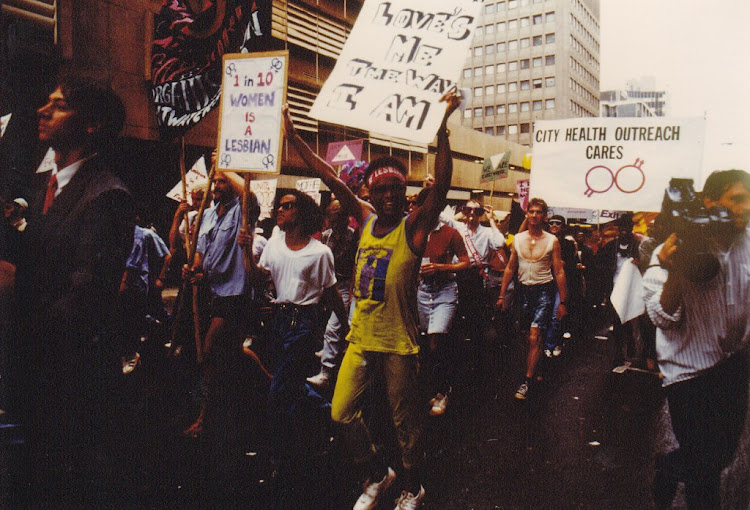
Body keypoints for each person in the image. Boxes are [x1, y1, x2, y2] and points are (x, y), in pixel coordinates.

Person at [282, 89, 461, 509]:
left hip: (398, 341)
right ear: (370, 194)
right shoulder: (363, 220)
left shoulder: (414, 229)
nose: (387, 197)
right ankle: (380, 473)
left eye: (395, 190)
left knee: (406, 426)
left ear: (405, 194)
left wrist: (442, 129)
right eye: (379, 191)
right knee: (340, 412)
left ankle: (412, 487)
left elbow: (445, 183)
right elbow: (331, 177)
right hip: (361, 338)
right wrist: (294, 137)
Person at [13, 78, 136, 505]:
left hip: (68, 382)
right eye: (46, 102)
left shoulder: (107, 197)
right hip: (32, 375)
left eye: (59, 105)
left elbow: (87, 303)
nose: (42, 111)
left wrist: (17, 308)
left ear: (93, 125)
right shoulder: (37, 187)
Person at [644, 169, 750, 510]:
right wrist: (676, 269)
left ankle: (671, 465)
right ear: (710, 202)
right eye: (737, 199)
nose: (746, 207)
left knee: (719, 455)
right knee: (705, 475)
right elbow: (660, 318)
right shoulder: (673, 248)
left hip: (734, 366)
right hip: (689, 373)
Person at [181, 171, 253, 438]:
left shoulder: (242, 211)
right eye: (216, 182)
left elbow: (249, 195)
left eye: (223, 182)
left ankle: (204, 417)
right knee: (230, 354)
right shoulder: (208, 214)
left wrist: (226, 165)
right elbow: (201, 251)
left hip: (234, 293)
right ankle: (260, 388)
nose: (217, 187)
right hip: (210, 291)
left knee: (209, 352)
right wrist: (193, 269)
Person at [498, 198, 566, 400]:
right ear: (527, 214)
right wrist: (502, 295)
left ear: (544, 216)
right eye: (531, 211)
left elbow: (559, 271)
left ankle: (526, 381)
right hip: (522, 291)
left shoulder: (552, 241)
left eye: (538, 212)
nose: (534, 215)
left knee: (534, 336)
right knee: (526, 336)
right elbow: (510, 267)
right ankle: (536, 366)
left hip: (544, 291)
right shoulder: (518, 239)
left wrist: (562, 302)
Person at [414, 187, 469, 416]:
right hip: (422, 291)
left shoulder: (450, 232)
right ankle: (430, 387)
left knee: (437, 339)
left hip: (445, 290)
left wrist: (441, 267)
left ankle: (443, 391)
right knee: (426, 343)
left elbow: (465, 262)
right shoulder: (414, 232)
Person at [307, 197, 359, 390]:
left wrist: (352, 291)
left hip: (344, 285)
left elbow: (355, 265)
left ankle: (326, 372)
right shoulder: (325, 236)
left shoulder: (353, 236)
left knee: (334, 326)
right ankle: (330, 350)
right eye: (333, 215)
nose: (336, 219)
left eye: (340, 215)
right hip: (326, 285)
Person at [594, 214, 640, 368]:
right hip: (614, 288)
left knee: (627, 317)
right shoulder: (611, 246)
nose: (624, 232)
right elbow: (598, 263)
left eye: (627, 229)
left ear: (631, 229)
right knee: (617, 319)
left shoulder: (638, 246)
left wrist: (639, 263)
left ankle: (631, 341)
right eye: (621, 229)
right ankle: (619, 352)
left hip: (631, 288)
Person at [544, 215, 581, 357]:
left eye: (557, 223)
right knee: (545, 314)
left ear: (563, 226)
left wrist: (564, 264)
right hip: (545, 282)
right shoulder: (544, 241)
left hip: (561, 284)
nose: (553, 225)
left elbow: (571, 265)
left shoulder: (569, 244)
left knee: (557, 314)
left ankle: (553, 343)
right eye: (551, 222)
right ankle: (548, 343)